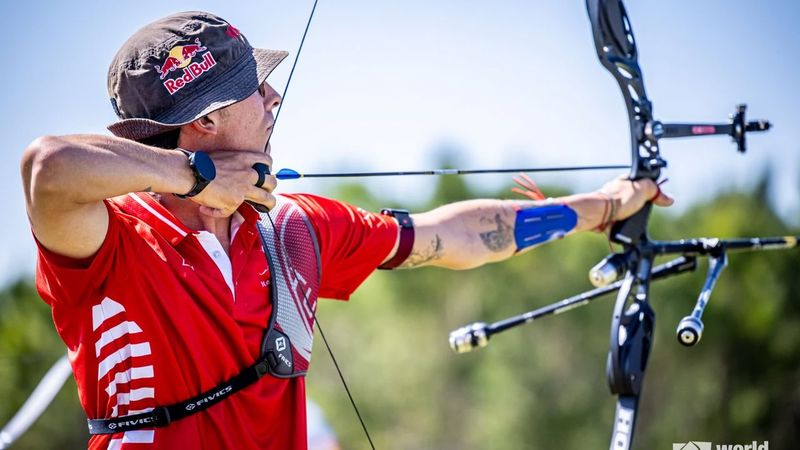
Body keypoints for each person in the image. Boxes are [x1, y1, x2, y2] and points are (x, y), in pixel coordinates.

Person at [19, 11, 673, 450]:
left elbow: (452, 234)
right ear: (207, 121)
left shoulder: (291, 230)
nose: (274, 99)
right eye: (255, 88)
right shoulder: (109, 238)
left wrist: (599, 207)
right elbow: (49, 165)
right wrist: (197, 179)